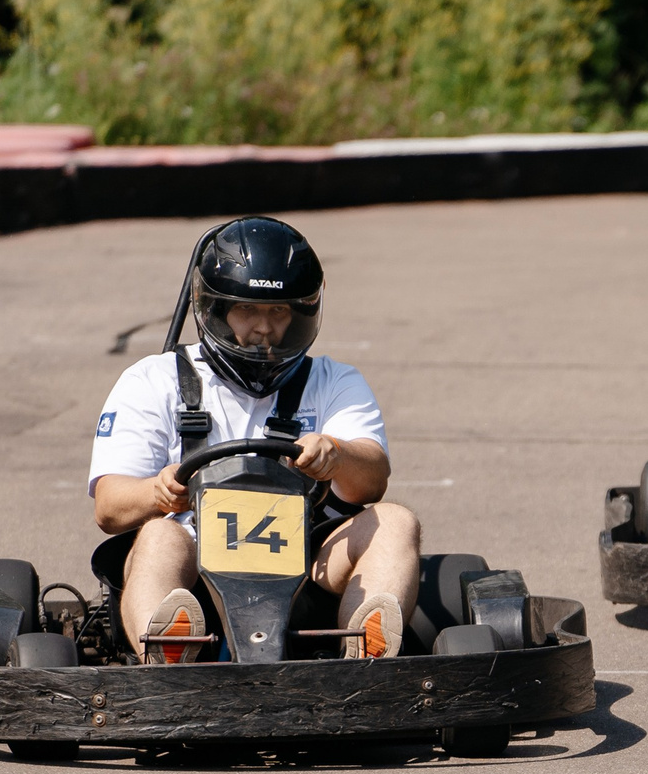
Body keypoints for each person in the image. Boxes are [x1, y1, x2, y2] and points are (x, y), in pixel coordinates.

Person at [89, 216, 419, 661]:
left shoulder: (333, 380)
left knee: (396, 520)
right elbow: (109, 507)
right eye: (248, 310)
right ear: (214, 308)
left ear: (300, 312)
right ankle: (167, 654)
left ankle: (365, 656)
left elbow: (372, 480)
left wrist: (338, 455)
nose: (264, 328)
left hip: (309, 570)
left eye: (278, 311)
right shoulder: (154, 380)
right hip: (194, 577)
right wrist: (157, 491)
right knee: (159, 537)